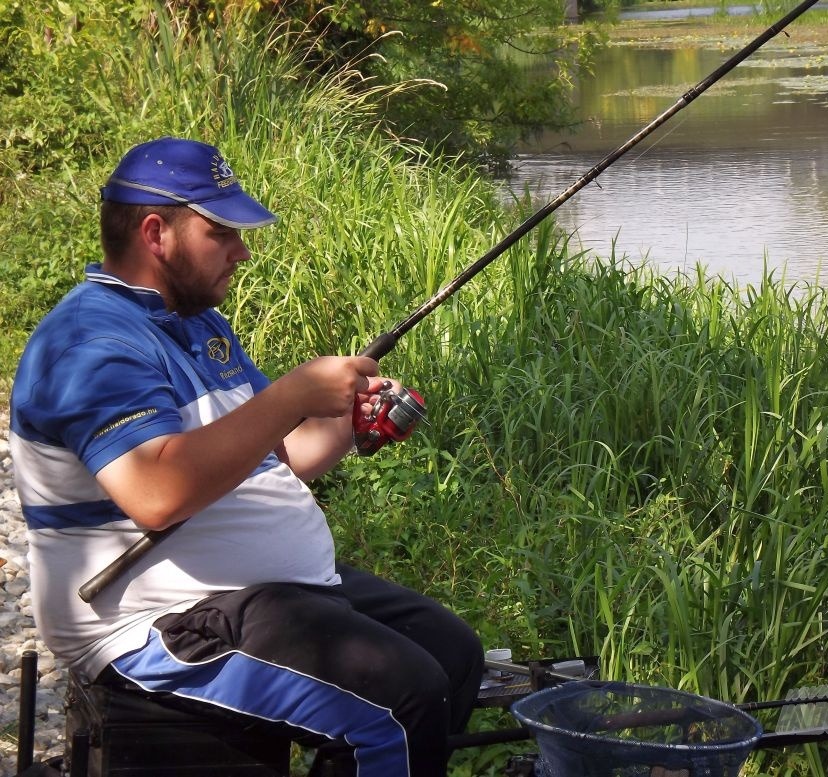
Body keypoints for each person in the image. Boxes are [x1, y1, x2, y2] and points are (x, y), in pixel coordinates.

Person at [10, 136, 484, 776]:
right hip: (151, 623)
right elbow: (155, 493)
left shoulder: (197, 322)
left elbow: (282, 451)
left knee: (452, 654)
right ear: (158, 233)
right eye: (222, 232)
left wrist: (347, 422)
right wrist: (292, 392)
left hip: (251, 593)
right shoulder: (91, 343)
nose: (243, 250)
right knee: (402, 697)